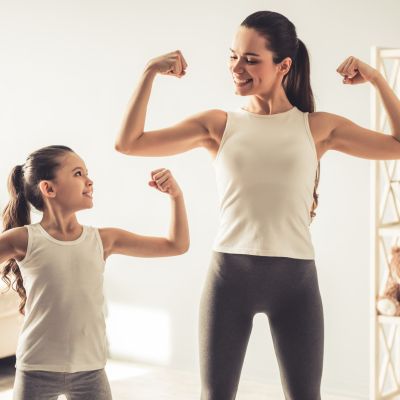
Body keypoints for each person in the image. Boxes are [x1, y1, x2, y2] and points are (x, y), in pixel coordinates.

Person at [115, 10, 400, 400]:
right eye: (233, 56)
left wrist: (378, 80)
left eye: (251, 59)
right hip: (229, 278)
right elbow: (129, 143)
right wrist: (149, 72)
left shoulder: (317, 128)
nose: (237, 67)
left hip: (296, 283)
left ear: (284, 65)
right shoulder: (218, 125)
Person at [0, 145, 189, 400]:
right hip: (35, 369)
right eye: (78, 173)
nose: (90, 181)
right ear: (49, 189)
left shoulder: (104, 239)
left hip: (90, 371)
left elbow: (176, 245)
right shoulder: (23, 239)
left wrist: (175, 196)